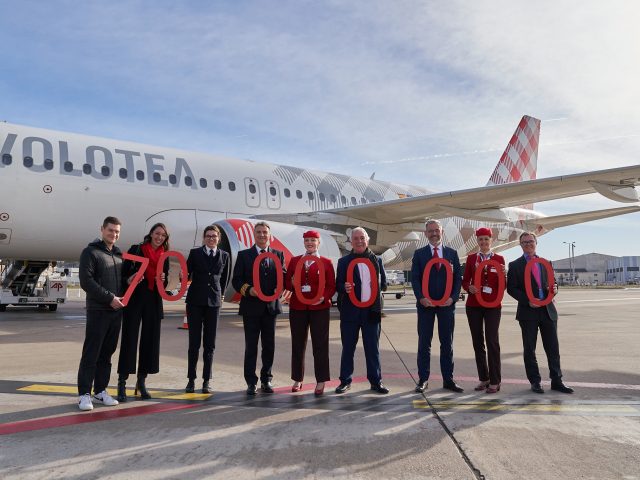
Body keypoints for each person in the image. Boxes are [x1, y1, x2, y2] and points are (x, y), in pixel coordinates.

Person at [507, 232, 574, 394]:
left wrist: (555, 289)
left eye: (530, 241)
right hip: (528, 312)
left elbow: (553, 283)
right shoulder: (515, 265)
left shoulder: (546, 263)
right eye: (524, 242)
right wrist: (527, 301)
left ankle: (557, 380)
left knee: (553, 348)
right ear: (520, 245)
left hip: (548, 311)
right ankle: (535, 381)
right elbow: (511, 288)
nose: (528, 244)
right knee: (529, 349)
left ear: (536, 243)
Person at [116, 223, 170, 402]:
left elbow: (166, 280)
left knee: (150, 342)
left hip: (154, 300)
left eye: (163, 235)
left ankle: (141, 382)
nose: (159, 237)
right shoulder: (137, 249)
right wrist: (129, 278)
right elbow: (123, 275)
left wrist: (164, 279)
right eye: (157, 233)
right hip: (135, 299)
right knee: (129, 340)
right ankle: (122, 382)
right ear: (151, 234)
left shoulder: (165, 256)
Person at [231, 221, 286, 395]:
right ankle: (250, 381)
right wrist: (249, 290)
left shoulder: (278, 254)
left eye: (265, 232)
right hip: (251, 308)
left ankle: (266, 379)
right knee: (251, 347)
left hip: (270, 309)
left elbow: (283, 278)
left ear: (270, 235)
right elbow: (236, 280)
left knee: (269, 346)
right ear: (254, 235)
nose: (262, 235)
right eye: (259, 232)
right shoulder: (244, 255)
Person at [76, 216, 125, 411]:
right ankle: (84, 394)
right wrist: (109, 298)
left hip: (115, 311)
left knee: (107, 353)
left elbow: (121, 282)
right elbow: (86, 282)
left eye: (117, 232)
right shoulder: (90, 252)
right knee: (92, 353)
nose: (114, 234)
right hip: (99, 310)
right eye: (111, 230)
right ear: (102, 230)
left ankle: (100, 390)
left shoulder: (119, 256)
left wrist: (132, 281)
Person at [411, 219, 463, 393]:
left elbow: (458, 279)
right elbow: (415, 279)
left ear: (442, 232)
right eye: (430, 231)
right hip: (426, 306)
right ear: (425, 234)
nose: (434, 233)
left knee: (447, 344)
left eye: (436, 230)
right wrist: (421, 298)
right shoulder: (419, 254)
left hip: (447, 306)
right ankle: (423, 379)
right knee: (424, 344)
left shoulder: (452, 254)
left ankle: (448, 379)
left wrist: (453, 298)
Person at [335, 227, 389, 395]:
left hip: (371, 312)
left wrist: (376, 286)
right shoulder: (343, 262)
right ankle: (345, 381)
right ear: (351, 241)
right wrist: (344, 286)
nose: (359, 241)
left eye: (362, 238)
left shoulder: (377, 260)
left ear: (367, 240)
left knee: (372, 348)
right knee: (348, 348)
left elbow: (385, 284)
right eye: (355, 238)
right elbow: (338, 285)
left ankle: (376, 381)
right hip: (350, 312)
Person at [284, 230, 336, 396]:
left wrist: (324, 297)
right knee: (298, 344)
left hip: (319, 308)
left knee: (320, 345)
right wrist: (291, 282)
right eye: (307, 240)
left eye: (313, 240)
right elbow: (287, 283)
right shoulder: (295, 260)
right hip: (298, 307)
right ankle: (297, 378)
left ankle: (320, 380)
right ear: (304, 242)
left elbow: (331, 285)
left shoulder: (326, 262)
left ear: (318, 242)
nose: (310, 243)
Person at [184, 225, 230, 394]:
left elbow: (224, 278)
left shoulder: (224, 255)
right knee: (193, 343)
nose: (211, 238)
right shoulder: (195, 253)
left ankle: (206, 380)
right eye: (208, 236)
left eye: (214, 236)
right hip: (195, 302)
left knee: (210, 344)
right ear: (203, 238)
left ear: (219, 238)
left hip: (214, 303)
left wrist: (221, 296)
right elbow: (187, 273)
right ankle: (191, 380)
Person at [461, 227, 505, 394]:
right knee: (478, 342)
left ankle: (495, 380)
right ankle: (484, 378)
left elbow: (503, 286)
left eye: (486, 239)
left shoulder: (499, 259)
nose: (483, 242)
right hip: (474, 305)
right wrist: (469, 287)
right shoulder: (472, 258)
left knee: (492, 341)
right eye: (480, 240)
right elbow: (464, 281)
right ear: (477, 241)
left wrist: (504, 275)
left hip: (492, 306)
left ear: (491, 240)